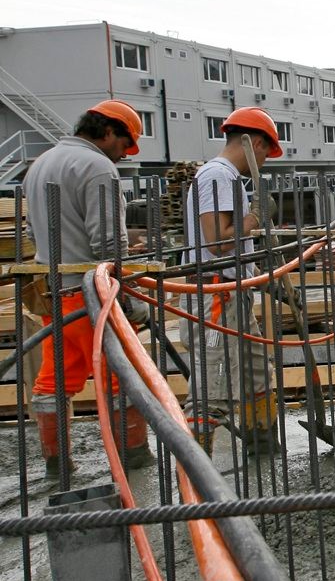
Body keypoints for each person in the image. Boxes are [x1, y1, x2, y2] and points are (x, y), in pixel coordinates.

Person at [23, 99, 153, 481]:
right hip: (93, 295)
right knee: (121, 375)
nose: (123, 154)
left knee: (54, 379)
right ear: (108, 131)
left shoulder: (41, 164)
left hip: (55, 294)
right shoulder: (97, 166)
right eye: (124, 145)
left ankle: (56, 463)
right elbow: (108, 243)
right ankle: (134, 456)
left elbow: (36, 234)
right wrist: (126, 297)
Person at [181, 106, 282, 462]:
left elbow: (234, 247)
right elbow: (219, 242)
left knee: (257, 374)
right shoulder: (218, 177)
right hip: (215, 294)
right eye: (268, 151)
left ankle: (265, 448)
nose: (267, 160)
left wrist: (263, 277)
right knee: (214, 387)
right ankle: (198, 477)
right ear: (254, 143)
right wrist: (257, 216)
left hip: (232, 291)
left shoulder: (225, 179)